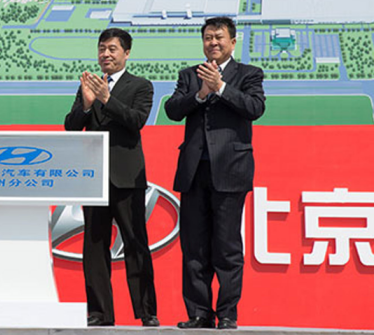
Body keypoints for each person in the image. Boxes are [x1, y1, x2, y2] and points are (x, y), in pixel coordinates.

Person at [164, 17, 266, 330]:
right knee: (194, 247)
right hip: (194, 171)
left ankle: (227, 314)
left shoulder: (248, 74)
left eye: (219, 37)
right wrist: (201, 93)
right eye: (208, 38)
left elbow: (254, 108)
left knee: (227, 247)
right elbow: (172, 110)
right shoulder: (189, 75)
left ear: (232, 42)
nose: (213, 43)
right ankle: (198, 312)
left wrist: (220, 87)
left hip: (230, 171)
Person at [64, 28, 158, 327]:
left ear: (126, 53)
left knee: (135, 244)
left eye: (112, 49)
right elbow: (70, 125)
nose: (106, 54)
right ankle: (100, 312)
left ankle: (147, 312)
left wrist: (107, 99)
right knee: (94, 247)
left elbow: (136, 121)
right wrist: (88, 104)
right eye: (102, 48)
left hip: (127, 177)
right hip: (93, 178)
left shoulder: (140, 86)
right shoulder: (88, 86)